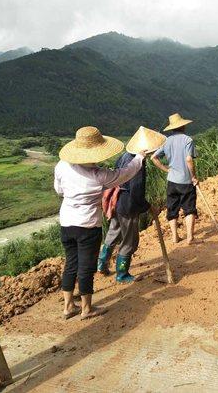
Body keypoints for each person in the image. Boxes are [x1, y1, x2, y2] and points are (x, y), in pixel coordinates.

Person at [54, 126, 146, 319]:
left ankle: (68, 306)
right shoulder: (99, 176)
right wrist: (139, 158)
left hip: (67, 223)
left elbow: (59, 190)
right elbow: (126, 173)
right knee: (86, 267)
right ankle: (86, 309)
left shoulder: (62, 165)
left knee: (71, 263)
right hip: (87, 226)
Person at [98, 128, 166, 282]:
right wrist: (148, 206)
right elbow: (136, 191)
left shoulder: (124, 157)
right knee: (129, 240)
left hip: (117, 202)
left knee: (113, 232)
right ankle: (122, 274)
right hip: (128, 205)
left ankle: (101, 265)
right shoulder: (137, 163)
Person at [151, 113, 200, 245]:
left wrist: (166, 169)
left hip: (172, 180)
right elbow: (189, 159)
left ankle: (175, 237)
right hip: (186, 181)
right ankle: (190, 237)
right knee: (189, 208)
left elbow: (153, 157)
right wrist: (194, 176)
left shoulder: (167, 141)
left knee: (172, 209)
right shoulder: (187, 140)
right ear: (183, 126)